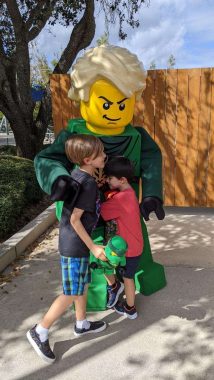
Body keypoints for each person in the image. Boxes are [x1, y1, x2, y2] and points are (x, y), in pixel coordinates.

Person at [34, 45, 166, 307]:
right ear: (85, 98)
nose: (114, 110)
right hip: (88, 206)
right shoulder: (75, 135)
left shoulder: (137, 136)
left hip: (125, 207)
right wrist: (58, 179)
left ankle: (135, 275)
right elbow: (47, 158)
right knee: (92, 249)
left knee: (133, 244)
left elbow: (152, 161)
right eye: (106, 103)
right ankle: (102, 286)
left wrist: (151, 195)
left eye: (121, 104)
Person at [27, 134, 107, 364]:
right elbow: (74, 219)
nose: (105, 156)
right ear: (88, 159)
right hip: (76, 244)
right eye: (100, 153)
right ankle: (39, 330)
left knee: (83, 284)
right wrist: (93, 247)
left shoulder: (80, 175)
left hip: (73, 243)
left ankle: (81, 324)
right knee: (71, 291)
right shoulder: (88, 183)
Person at [100, 157, 143, 319]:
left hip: (125, 250)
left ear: (122, 179)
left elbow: (102, 212)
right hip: (135, 247)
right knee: (128, 277)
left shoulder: (119, 199)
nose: (106, 180)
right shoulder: (130, 192)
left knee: (102, 263)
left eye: (110, 178)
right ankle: (129, 307)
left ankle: (116, 289)